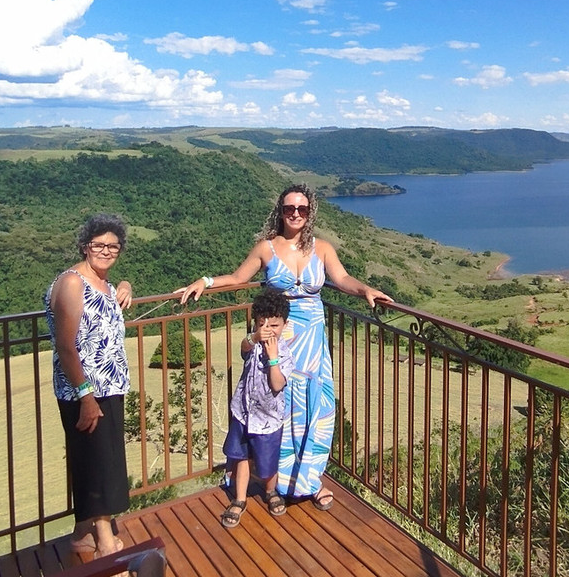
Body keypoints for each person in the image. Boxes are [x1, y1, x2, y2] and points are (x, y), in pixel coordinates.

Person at [182, 184, 389, 511]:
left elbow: (342, 278)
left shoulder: (322, 248)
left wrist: (366, 290)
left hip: (313, 339)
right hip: (279, 335)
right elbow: (238, 277)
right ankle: (275, 481)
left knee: (313, 407)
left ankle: (309, 480)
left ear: (310, 213)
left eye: (302, 209)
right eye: (290, 208)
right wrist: (204, 282)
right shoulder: (266, 248)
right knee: (279, 405)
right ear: (280, 211)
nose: (295, 213)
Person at [45, 213, 134, 558]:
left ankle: (81, 534)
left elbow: (108, 302)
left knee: (97, 460)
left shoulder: (103, 283)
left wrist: (125, 285)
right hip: (84, 390)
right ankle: (106, 546)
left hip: (108, 387)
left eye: (114, 246)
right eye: (99, 245)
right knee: (98, 464)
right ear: (85, 246)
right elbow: (66, 346)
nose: (106, 251)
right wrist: (85, 396)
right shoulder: (72, 283)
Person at [219, 287, 295, 527]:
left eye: (274, 325)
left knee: (267, 461)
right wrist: (253, 338)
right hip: (243, 412)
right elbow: (243, 348)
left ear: (284, 324)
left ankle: (270, 491)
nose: (267, 330)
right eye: (262, 324)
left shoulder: (284, 353)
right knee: (240, 456)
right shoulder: (254, 341)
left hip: (268, 418)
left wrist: (273, 358)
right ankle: (240, 499)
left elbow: (277, 384)